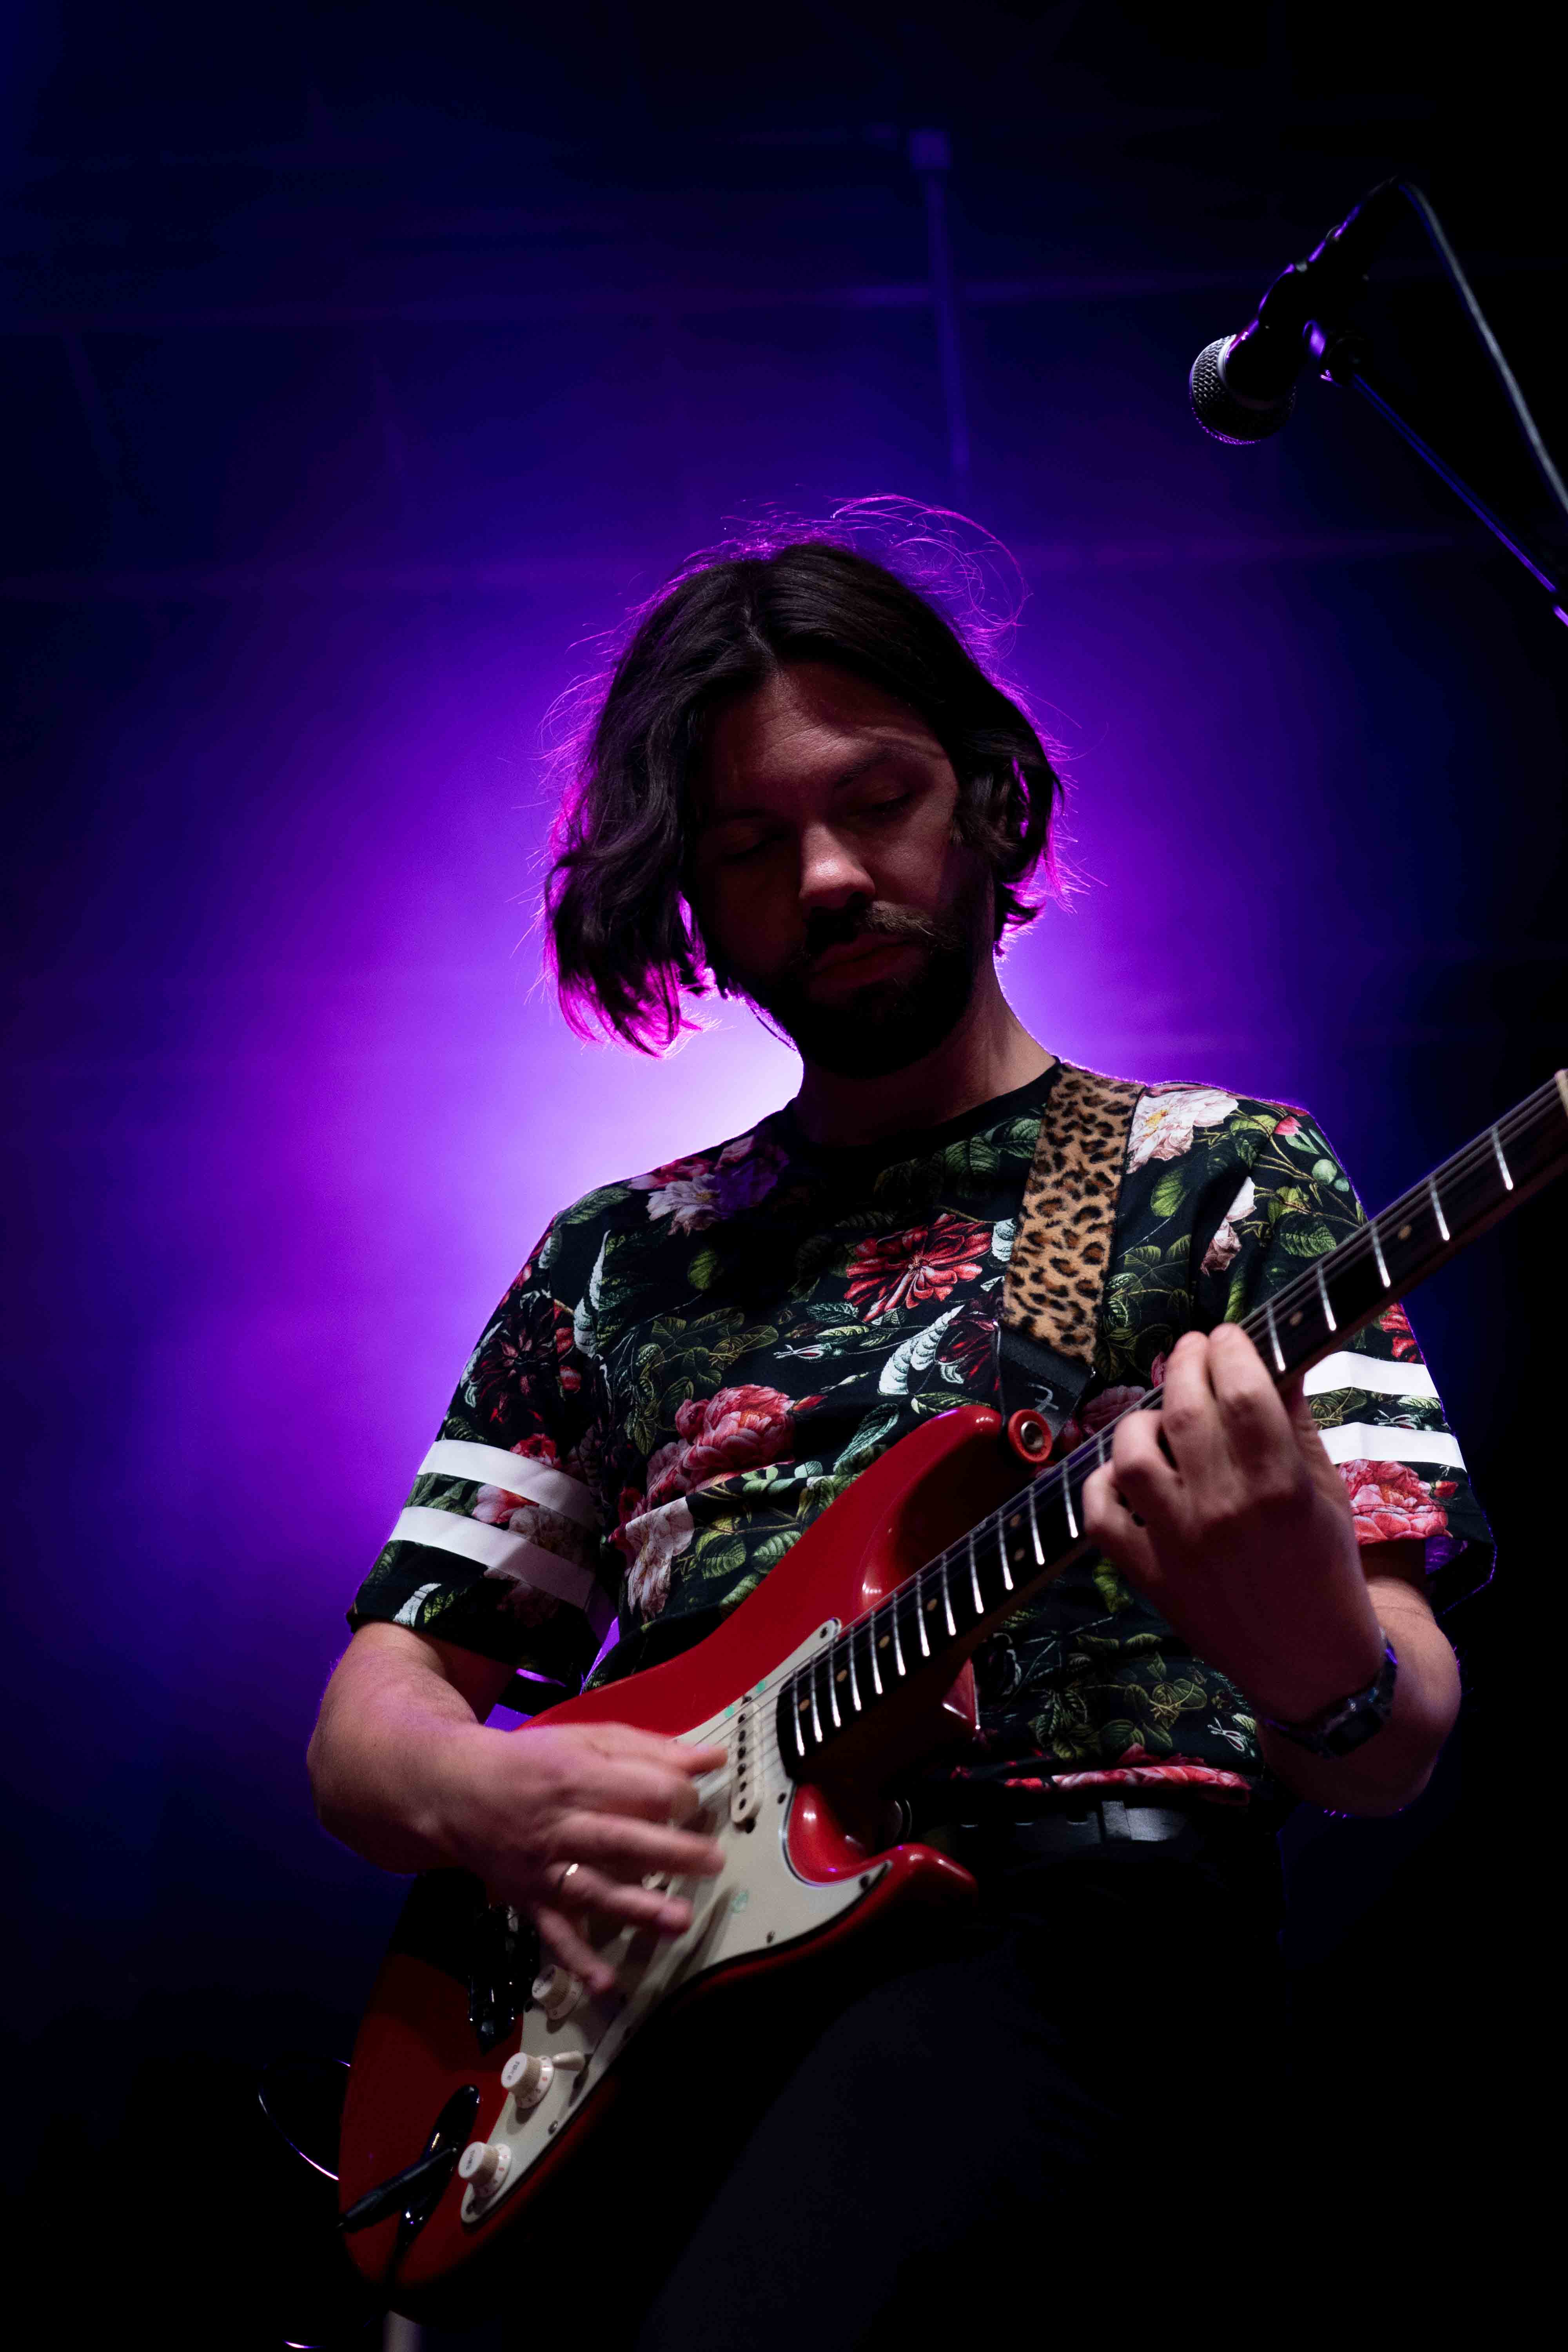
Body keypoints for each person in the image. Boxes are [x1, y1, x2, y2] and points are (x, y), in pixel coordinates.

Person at [307, 531, 1489, 2341]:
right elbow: (372, 1722)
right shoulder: (617, 1257)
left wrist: (1304, 1638)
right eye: (750, 845)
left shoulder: (1217, 1176)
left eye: (878, 801)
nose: (832, 875)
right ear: (688, 897)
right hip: (659, 2002)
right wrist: (490, 1791)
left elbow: (1389, 1738)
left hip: (1071, 1955)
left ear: (991, 798)